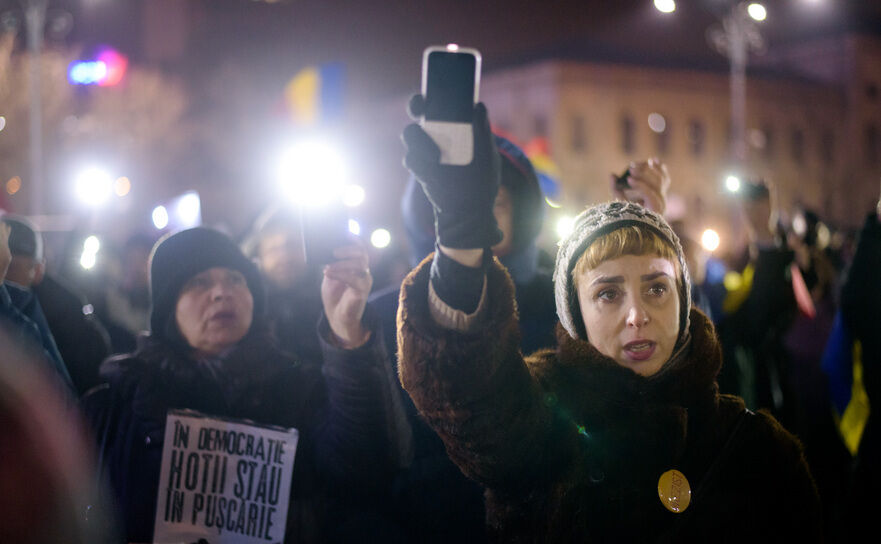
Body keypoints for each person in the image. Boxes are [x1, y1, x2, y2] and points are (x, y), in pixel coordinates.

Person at [396, 103, 821, 541]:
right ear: (575, 313)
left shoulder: (759, 452)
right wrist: (462, 239)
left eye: (657, 288)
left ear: (682, 300)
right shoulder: (540, 427)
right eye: (607, 294)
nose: (637, 316)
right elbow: (469, 394)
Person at [82, 227, 406, 543]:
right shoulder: (117, 406)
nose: (223, 292)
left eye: (236, 279)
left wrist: (347, 331)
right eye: (199, 282)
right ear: (168, 308)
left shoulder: (296, 386)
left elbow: (366, 468)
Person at [1, 215, 112, 395]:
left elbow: (62, 401)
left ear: (37, 271)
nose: (3, 276)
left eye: (10, 267)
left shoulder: (69, 322)